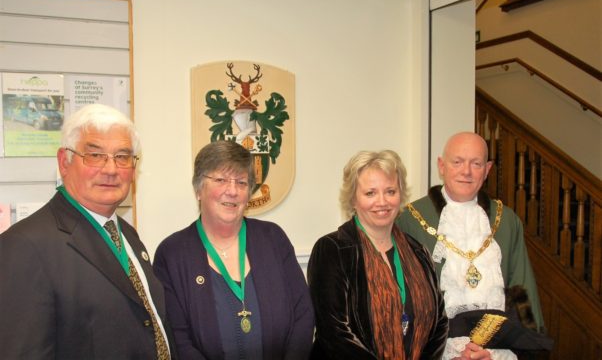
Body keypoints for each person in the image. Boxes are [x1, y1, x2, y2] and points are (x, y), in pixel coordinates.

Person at [0, 103, 173, 359]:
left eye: (122, 157)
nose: (111, 169)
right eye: (95, 155)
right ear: (64, 162)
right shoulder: (24, 246)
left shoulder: (127, 235)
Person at [153, 140, 314, 359]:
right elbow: (177, 338)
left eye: (241, 182)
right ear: (198, 189)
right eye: (220, 180)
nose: (232, 191)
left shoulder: (273, 239)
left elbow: (303, 315)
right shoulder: (172, 254)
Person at [397, 132, 548, 360]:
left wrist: (510, 352)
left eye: (475, 164)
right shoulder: (410, 220)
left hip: (497, 350)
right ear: (442, 165)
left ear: (487, 170)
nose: (466, 171)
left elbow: (521, 291)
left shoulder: (506, 221)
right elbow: (402, 298)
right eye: (457, 162)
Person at [307, 150, 448, 359]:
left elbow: (439, 323)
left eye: (390, 191)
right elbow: (334, 334)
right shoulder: (332, 250)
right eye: (370, 193)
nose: (382, 202)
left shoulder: (418, 251)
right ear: (353, 198)